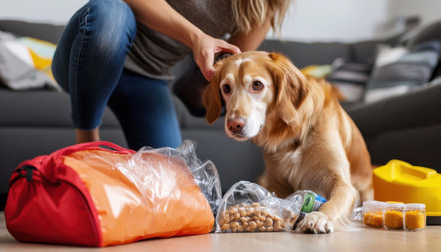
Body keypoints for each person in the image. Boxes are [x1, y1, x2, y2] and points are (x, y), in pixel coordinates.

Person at [52, 0, 291, 150]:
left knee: (173, 186)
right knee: (110, 13)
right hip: (87, 59)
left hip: (147, 77)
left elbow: (234, 65)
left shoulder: (264, 5)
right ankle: (87, 143)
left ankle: (189, 88)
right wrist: (195, 37)